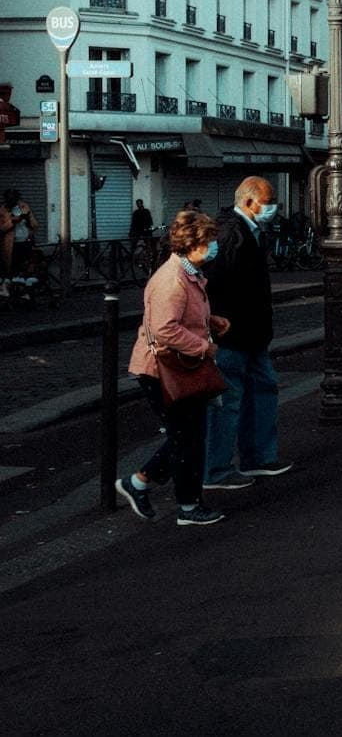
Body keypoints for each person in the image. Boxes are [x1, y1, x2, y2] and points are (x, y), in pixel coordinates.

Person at [116, 209, 231, 527]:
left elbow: (182, 317)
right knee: (187, 439)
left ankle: (139, 483)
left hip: (175, 366)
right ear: (192, 244)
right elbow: (165, 328)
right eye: (208, 241)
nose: (213, 247)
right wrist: (203, 346)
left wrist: (210, 321)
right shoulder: (172, 280)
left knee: (188, 436)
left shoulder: (188, 273)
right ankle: (188, 507)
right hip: (162, 369)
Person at [203, 177, 292, 489]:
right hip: (233, 333)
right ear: (251, 203)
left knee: (262, 391)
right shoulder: (231, 234)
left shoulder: (249, 231)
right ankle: (216, 470)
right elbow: (212, 282)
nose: (273, 209)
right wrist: (215, 322)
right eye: (270, 203)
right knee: (228, 401)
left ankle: (258, 458)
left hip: (252, 333)